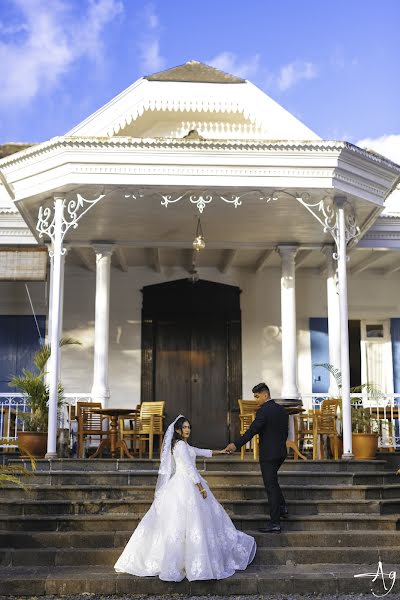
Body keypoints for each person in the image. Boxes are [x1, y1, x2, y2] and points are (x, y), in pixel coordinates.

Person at [114, 415, 256, 581]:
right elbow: (189, 468)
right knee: (183, 523)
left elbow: (201, 451)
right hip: (185, 485)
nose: (187, 430)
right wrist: (201, 487)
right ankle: (183, 561)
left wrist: (222, 451)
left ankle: (187, 560)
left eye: (189, 427)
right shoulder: (180, 445)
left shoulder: (184, 445)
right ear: (177, 430)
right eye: (185, 427)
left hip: (187, 483)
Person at [225, 382, 289, 533]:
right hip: (281, 453)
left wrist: (236, 444)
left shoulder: (263, 411)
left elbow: (252, 431)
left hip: (268, 455)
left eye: (257, 396)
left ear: (265, 395)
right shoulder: (282, 410)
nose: (255, 400)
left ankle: (275, 522)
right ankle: (283, 507)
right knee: (273, 481)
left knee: (270, 487)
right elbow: (285, 433)